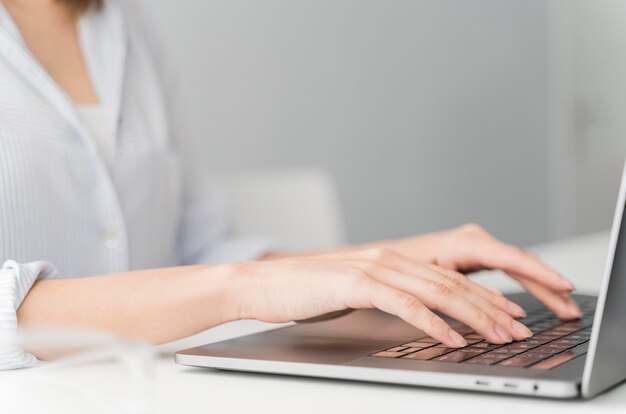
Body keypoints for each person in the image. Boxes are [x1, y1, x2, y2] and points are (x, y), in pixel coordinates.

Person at [0, 0, 581, 370]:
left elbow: (203, 249)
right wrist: (237, 288)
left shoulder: (124, 22)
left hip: (152, 390)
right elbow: (228, 281)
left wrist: (401, 261)